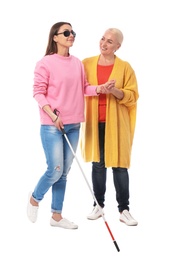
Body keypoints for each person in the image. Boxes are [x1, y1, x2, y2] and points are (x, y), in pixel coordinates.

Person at [27, 22, 115, 229]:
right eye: (66, 32)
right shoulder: (45, 63)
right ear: (55, 37)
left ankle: (56, 216)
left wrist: (101, 88)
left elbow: (84, 88)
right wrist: (52, 114)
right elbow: (38, 92)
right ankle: (34, 198)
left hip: (74, 124)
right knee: (55, 169)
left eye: (73, 32)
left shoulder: (77, 63)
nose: (71, 35)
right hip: (52, 125)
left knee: (64, 172)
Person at [80, 28, 139, 226]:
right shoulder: (86, 64)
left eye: (110, 41)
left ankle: (124, 209)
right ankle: (98, 205)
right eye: (103, 39)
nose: (104, 44)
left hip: (117, 124)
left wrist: (114, 90)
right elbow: (78, 88)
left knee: (120, 166)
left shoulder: (125, 67)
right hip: (94, 122)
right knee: (98, 164)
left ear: (118, 47)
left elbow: (132, 97)